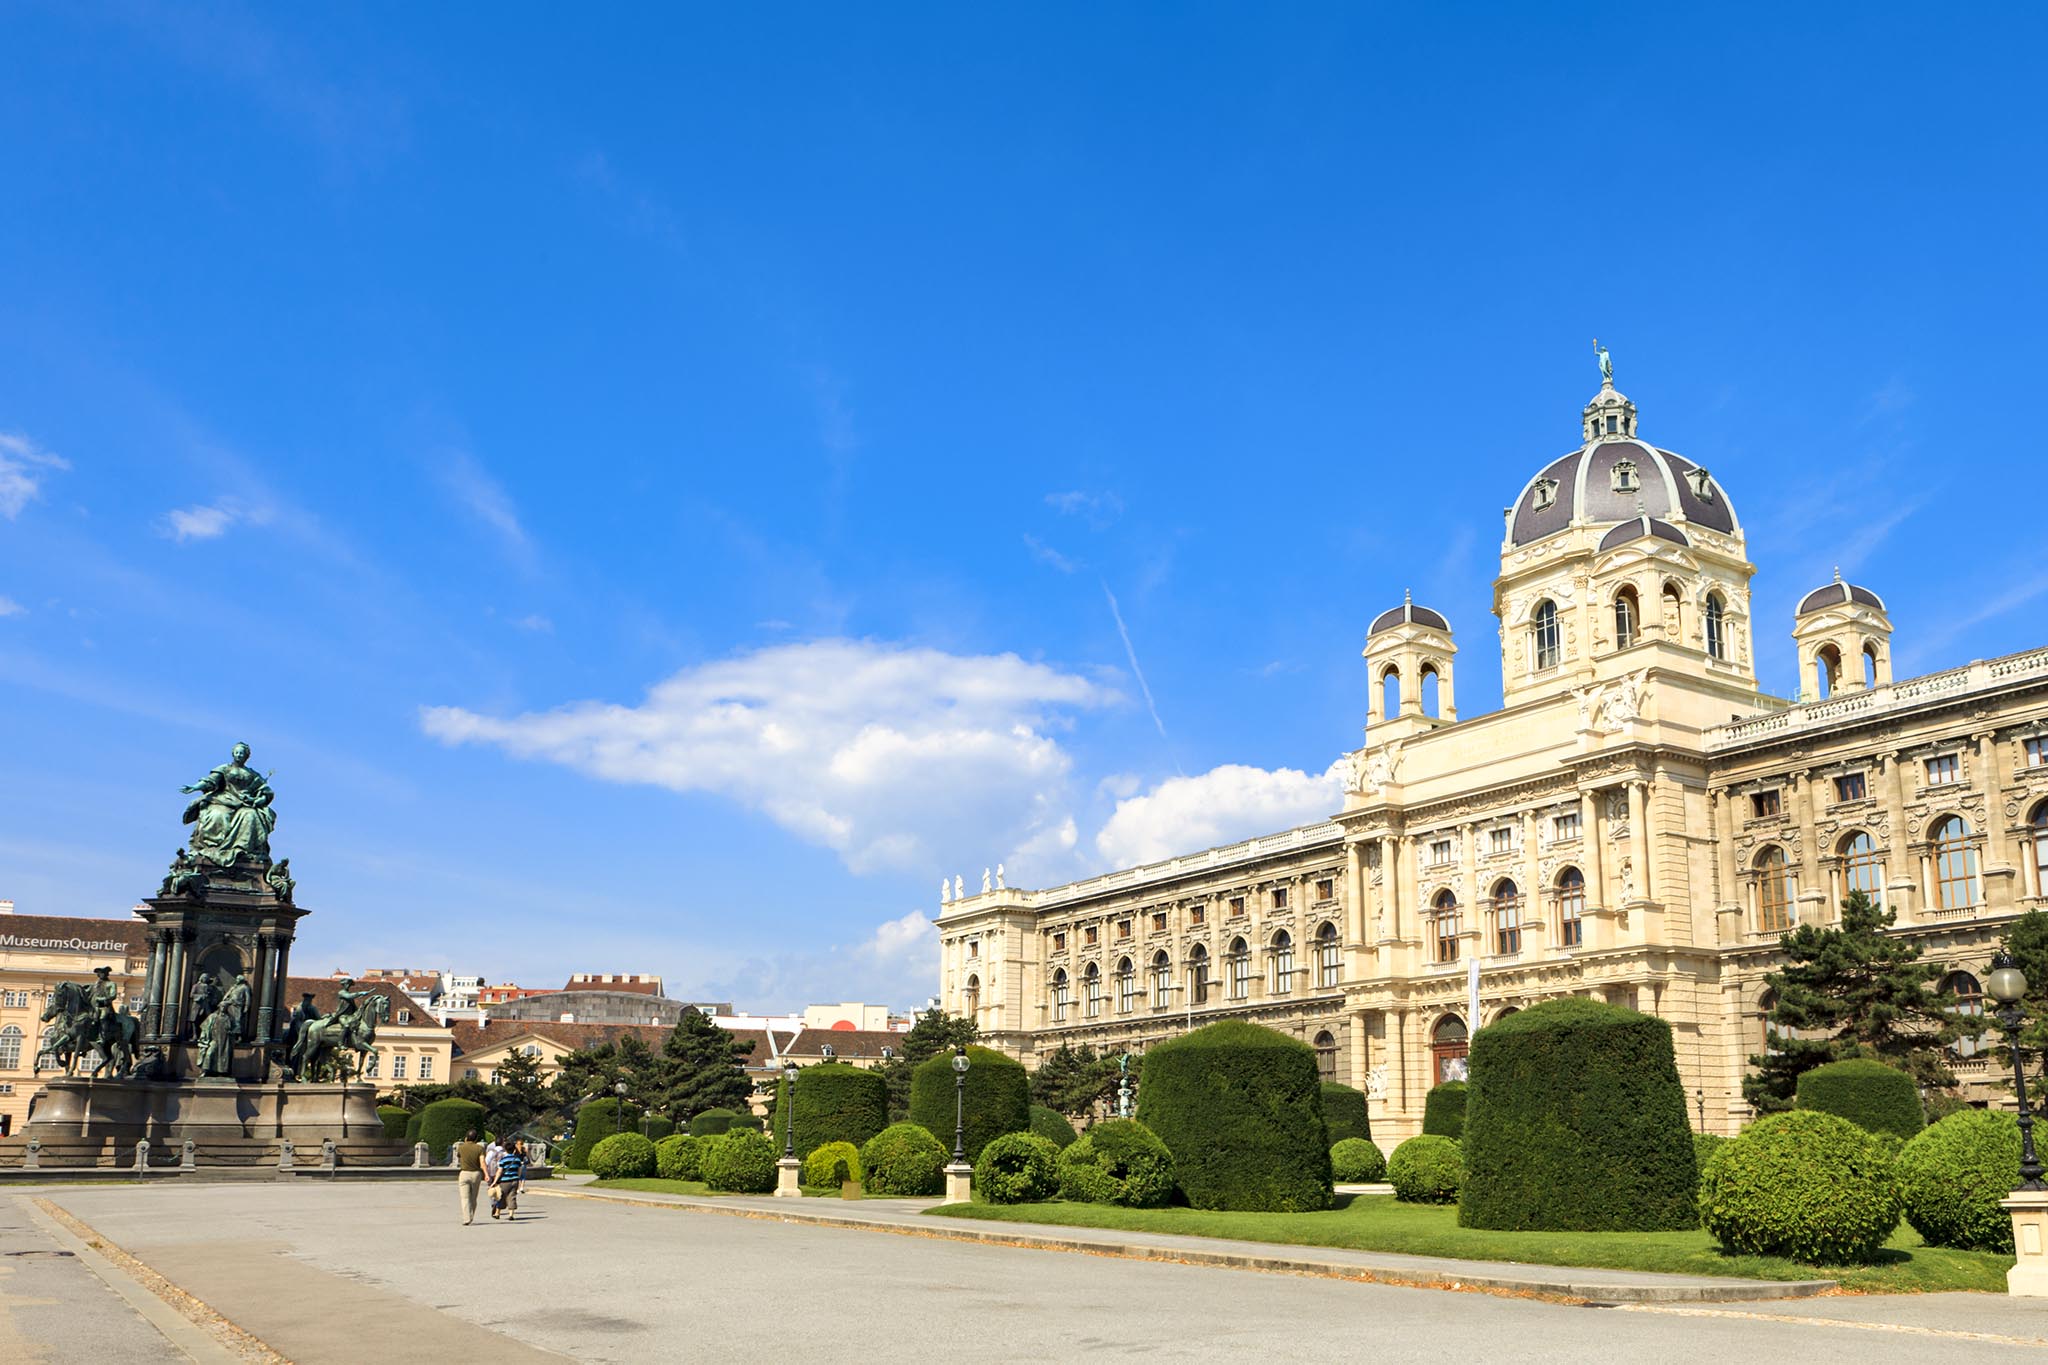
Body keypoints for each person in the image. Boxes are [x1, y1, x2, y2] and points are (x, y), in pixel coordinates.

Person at [454, 1129, 487, 1225]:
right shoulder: (480, 1148)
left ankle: (466, 1218)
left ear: (466, 1137)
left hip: (464, 1173)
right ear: (476, 1138)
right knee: (473, 1197)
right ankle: (471, 1215)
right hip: (476, 1174)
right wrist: (486, 1174)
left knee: (464, 1198)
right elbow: (482, 1163)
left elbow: (459, 1157)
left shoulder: (461, 1147)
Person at [493, 1140, 527, 1221]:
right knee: (512, 1197)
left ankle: (497, 1213)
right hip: (514, 1181)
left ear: (505, 1150)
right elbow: (519, 1170)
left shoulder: (503, 1160)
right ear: (514, 1150)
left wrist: (495, 1181)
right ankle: (511, 1214)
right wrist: (517, 1178)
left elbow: (499, 1171)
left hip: (504, 1181)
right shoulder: (517, 1160)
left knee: (501, 1197)